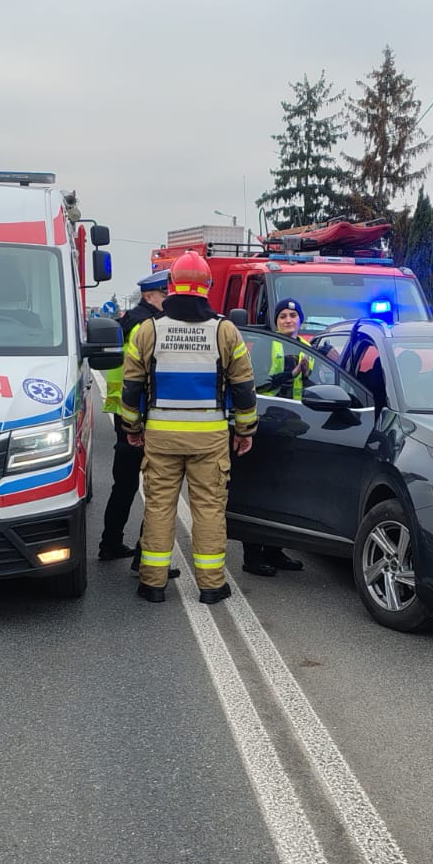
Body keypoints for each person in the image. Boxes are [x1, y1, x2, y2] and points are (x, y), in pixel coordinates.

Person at [121, 251, 257, 605]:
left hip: (161, 436)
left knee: (159, 507)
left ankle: (152, 583)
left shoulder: (147, 330)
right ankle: (211, 586)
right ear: (207, 288)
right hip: (209, 438)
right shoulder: (225, 330)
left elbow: (132, 387)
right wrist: (245, 431)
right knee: (209, 509)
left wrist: (132, 426)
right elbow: (243, 387)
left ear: (171, 288)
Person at [98, 270, 169, 563]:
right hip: (144, 417)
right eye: (166, 294)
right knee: (158, 486)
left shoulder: (127, 322)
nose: (169, 299)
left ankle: (110, 543)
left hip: (123, 414)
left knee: (124, 485)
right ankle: (144, 557)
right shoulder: (149, 326)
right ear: (150, 296)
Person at [243, 297, 308, 576]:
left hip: (294, 428)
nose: (288, 320)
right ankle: (252, 557)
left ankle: (275, 550)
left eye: (293, 316)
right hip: (266, 425)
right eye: (283, 316)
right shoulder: (265, 346)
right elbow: (257, 383)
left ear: (301, 321)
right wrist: (290, 374)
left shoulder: (308, 348)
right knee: (260, 491)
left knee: (284, 491)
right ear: (275, 321)